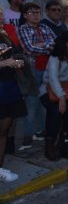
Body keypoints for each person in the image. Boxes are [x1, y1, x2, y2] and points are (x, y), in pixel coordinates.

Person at [17, 2, 56, 150]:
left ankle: (40, 131)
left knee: (44, 102)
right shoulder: (22, 29)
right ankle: (27, 137)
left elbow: (56, 43)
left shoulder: (45, 27)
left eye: (38, 12)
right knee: (32, 103)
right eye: (32, 12)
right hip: (32, 71)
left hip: (48, 70)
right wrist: (46, 45)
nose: (36, 15)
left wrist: (42, 45)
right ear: (25, 15)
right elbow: (29, 49)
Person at [38, 31, 68, 161]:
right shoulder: (55, 57)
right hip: (48, 90)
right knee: (55, 111)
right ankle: (49, 144)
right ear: (67, 44)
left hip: (65, 90)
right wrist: (61, 97)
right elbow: (52, 78)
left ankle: (63, 140)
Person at [0, 24, 26, 181]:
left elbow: (16, 54)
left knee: (4, 131)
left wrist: (18, 62)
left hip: (9, 87)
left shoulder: (4, 36)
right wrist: (4, 63)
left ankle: (0, 167)